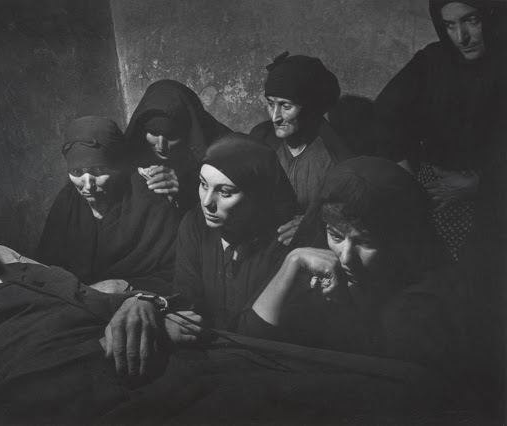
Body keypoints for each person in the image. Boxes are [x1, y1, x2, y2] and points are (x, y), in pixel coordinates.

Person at [0, 185, 453, 425]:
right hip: (121, 403)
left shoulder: (37, 275)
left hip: (188, 361)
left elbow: (117, 296)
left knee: (395, 391)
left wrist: (141, 306)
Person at [238, 157, 465, 371]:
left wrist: (342, 303)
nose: (346, 257)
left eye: (365, 242)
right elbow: (247, 342)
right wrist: (293, 260)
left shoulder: (426, 302)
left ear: (399, 242)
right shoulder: (313, 266)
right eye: (335, 236)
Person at [374, 0, 506, 262]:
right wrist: (409, 180)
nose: (461, 37)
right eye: (449, 25)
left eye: (471, 20)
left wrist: (481, 184)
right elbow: (386, 114)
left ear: (491, 16)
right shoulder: (433, 60)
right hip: (435, 190)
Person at [36, 116, 181, 295]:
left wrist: (127, 286)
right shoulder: (67, 202)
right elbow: (46, 268)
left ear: (117, 166)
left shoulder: (149, 200)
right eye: (76, 171)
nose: (88, 185)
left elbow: (176, 271)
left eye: (98, 170)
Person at [171, 133, 300, 333]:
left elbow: (263, 331)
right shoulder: (194, 224)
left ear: (257, 195)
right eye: (203, 184)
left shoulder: (285, 239)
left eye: (225, 192)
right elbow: (186, 303)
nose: (207, 202)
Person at [250, 52, 352, 245]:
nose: (275, 117)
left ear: (309, 107)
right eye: (271, 104)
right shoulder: (260, 140)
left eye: (286, 106)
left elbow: (352, 215)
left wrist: (316, 225)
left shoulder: (334, 155)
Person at [124, 79, 231, 212]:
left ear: (188, 132)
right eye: (153, 133)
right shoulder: (138, 147)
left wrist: (184, 187)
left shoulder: (223, 148)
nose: (161, 147)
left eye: (171, 135)